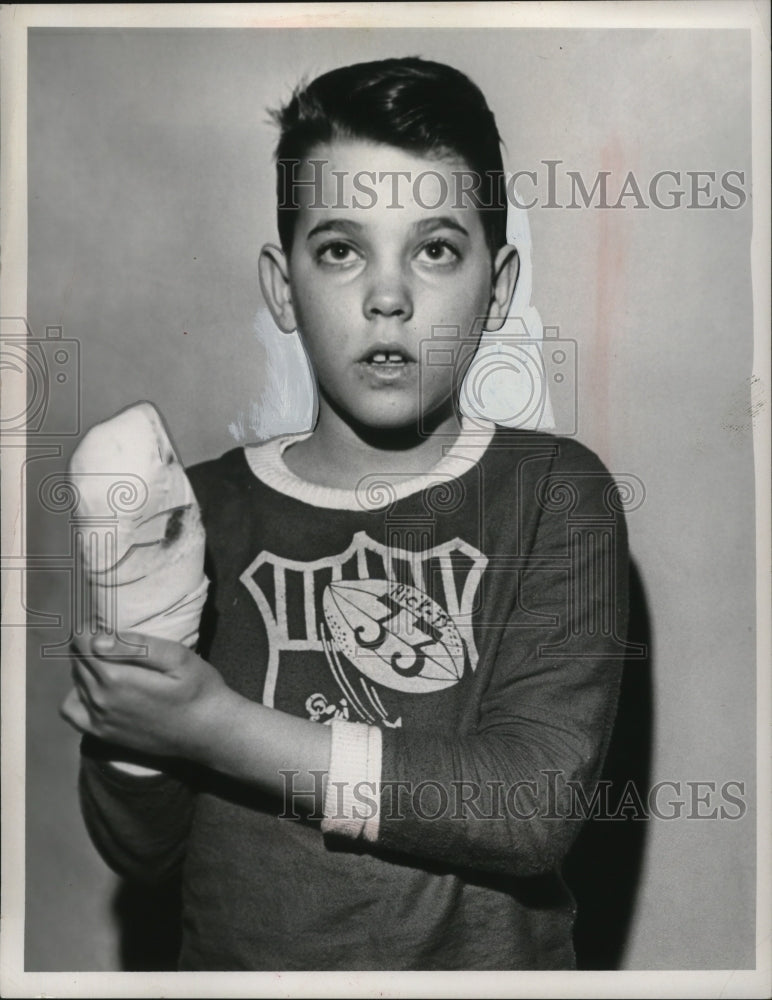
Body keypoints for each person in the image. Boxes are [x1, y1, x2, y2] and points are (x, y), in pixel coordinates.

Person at [62, 57, 630, 971]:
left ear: (501, 286)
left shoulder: (554, 493)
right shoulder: (201, 512)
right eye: (340, 248)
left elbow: (529, 809)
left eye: (436, 248)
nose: (388, 296)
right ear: (283, 286)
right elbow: (143, 851)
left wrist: (215, 727)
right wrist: (136, 708)